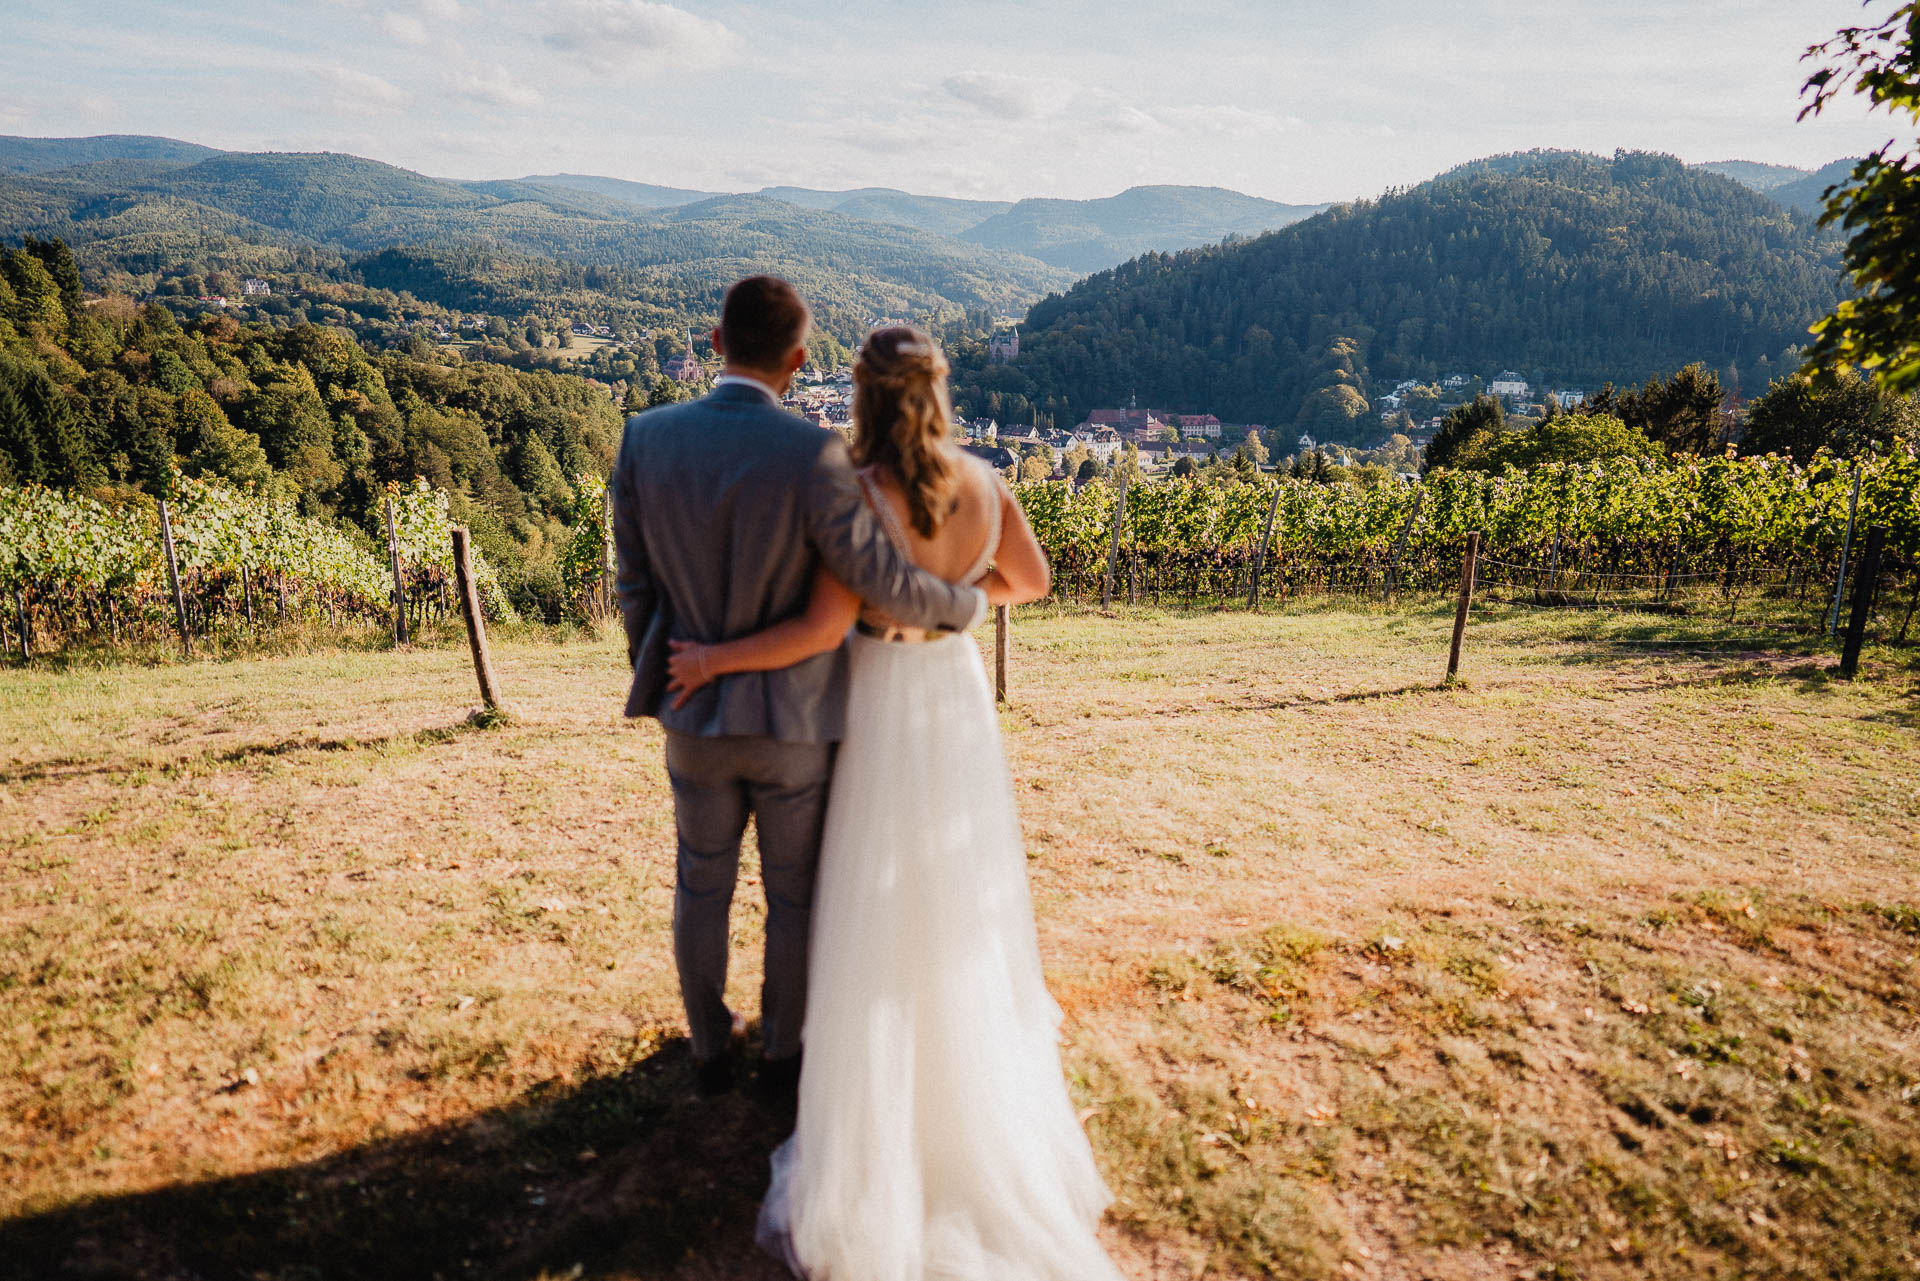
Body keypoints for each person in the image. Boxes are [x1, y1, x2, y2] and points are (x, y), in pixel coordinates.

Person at [665, 326, 1125, 1281]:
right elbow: (1030, 583)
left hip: (875, 696)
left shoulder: (854, 490)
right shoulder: (986, 481)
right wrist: (952, 594)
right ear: (940, 394)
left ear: (867, 397)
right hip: (952, 697)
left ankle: (867, 1087)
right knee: (957, 883)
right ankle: (967, 1070)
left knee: (870, 886)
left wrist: (714, 658)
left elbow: (822, 626)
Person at [611, 278, 987, 1098]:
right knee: (795, 896)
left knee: (699, 882)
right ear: (798, 360)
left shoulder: (645, 439)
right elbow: (880, 579)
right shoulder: (812, 455)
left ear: (715, 341)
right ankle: (783, 1053)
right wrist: (967, 601)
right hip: (796, 722)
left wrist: (670, 667)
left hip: (694, 713)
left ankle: (709, 1045)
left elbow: (632, 586)